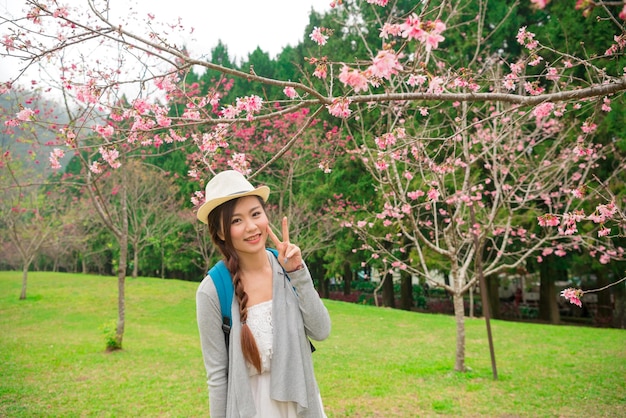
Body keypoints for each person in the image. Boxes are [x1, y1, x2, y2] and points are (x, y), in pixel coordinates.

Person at [195, 170, 331, 418]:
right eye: (236, 220)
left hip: (302, 403)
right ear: (222, 232)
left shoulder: (287, 267)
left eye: (256, 214)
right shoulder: (213, 290)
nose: (251, 227)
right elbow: (217, 376)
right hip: (252, 409)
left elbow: (321, 331)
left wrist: (299, 272)